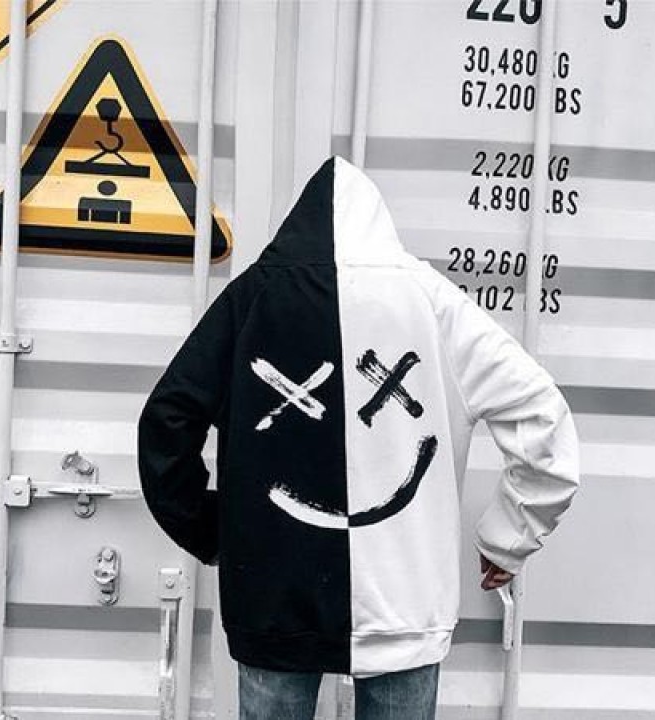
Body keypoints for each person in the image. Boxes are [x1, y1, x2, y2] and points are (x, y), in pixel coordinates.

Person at [137, 156, 579, 719]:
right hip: (405, 602)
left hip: (273, 595)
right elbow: (543, 417)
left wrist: (213, 531)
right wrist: (508, 537)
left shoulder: (251, 297)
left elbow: (167, 421)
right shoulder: (431, 300)